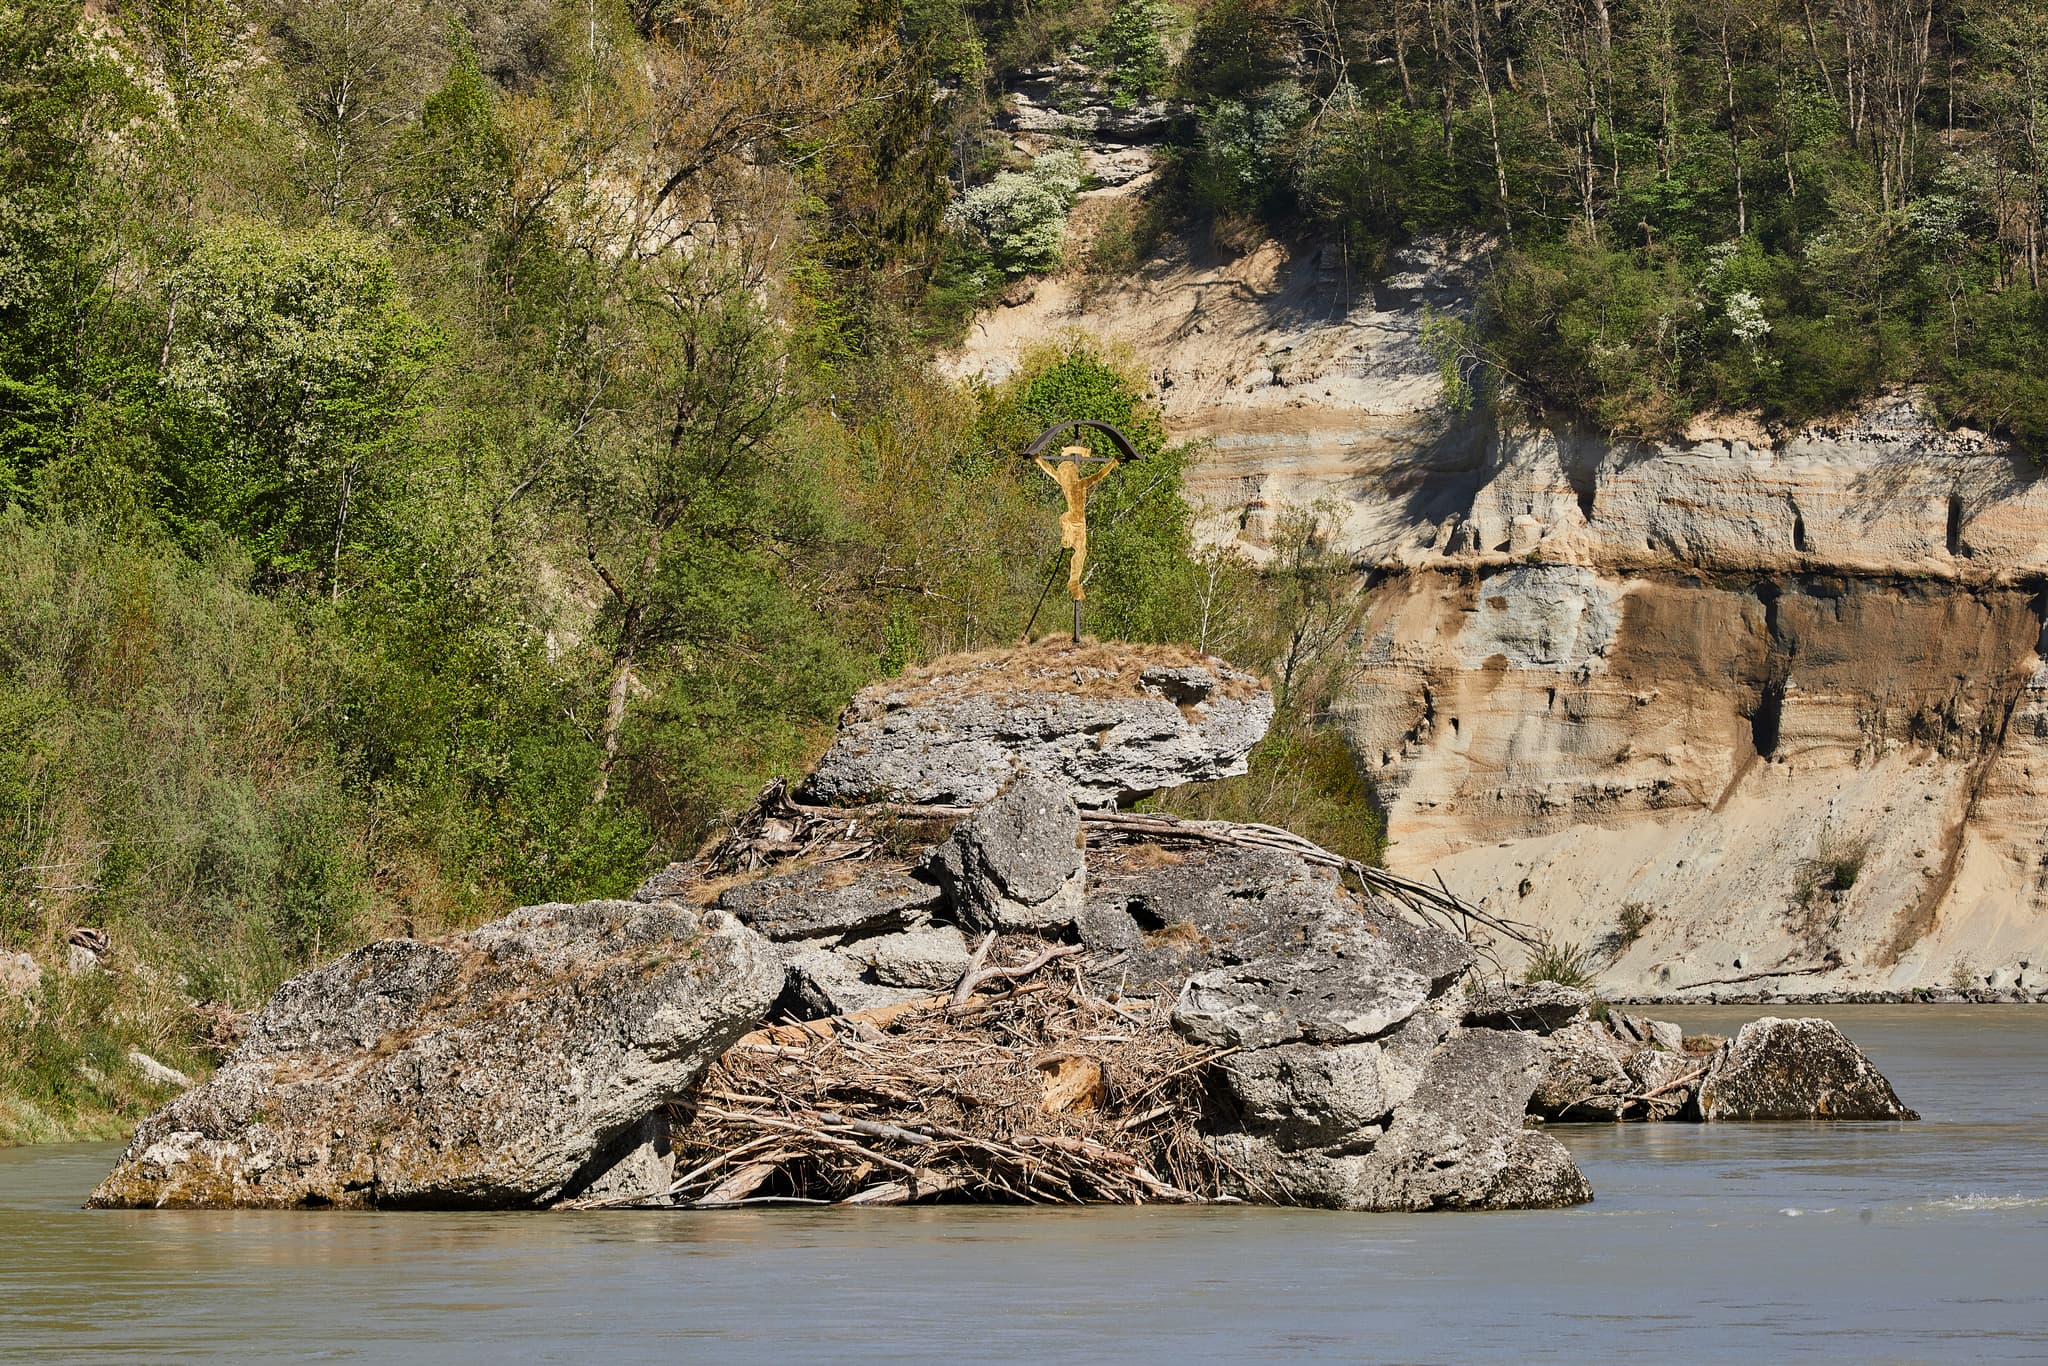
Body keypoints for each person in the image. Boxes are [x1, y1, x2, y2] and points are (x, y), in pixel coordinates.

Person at [1034, 444, 1119, 600]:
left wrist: (1038, 460)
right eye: (1074, 470)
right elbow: (1098, 476)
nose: (1076, 472)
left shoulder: (1066, 484)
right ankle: (1073, 579)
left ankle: (1074, 581)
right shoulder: (1079, 484)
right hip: (1076, 521)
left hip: (1077, 522)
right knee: (1081, 551)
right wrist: (1112, 464)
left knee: (1081, 552)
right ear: (1072, 472)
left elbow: (1050, 471)